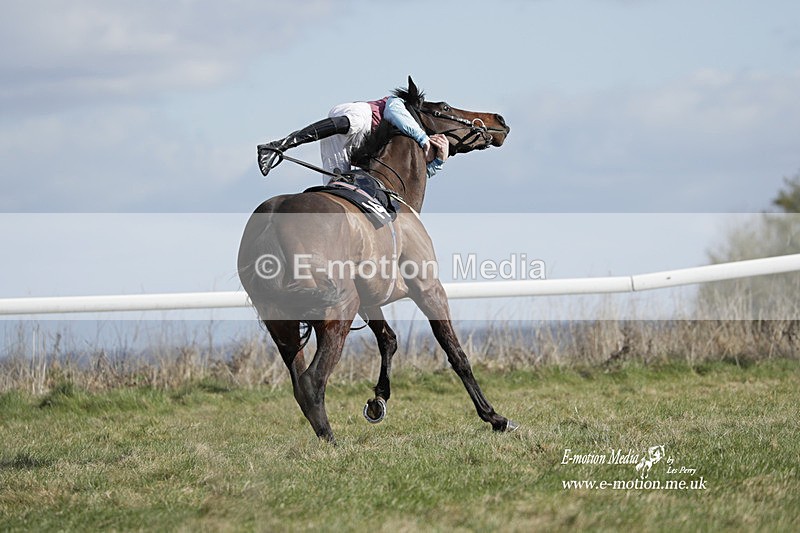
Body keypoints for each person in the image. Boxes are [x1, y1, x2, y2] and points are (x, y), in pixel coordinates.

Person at [257, 88, 449, 182]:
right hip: (360, 115)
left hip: (350, 147)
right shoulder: (396, 102)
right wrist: (423, 139)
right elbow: (393, 112)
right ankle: (278, 145)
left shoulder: (406, 142)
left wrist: (439, 162)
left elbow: (413, 177)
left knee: (335, 185)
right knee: (354, 122)